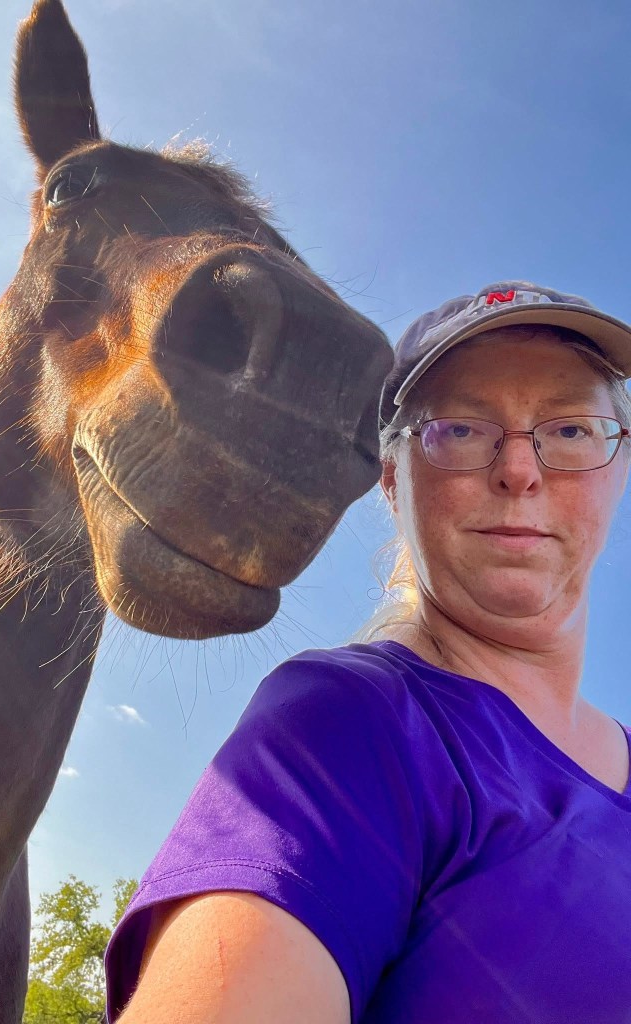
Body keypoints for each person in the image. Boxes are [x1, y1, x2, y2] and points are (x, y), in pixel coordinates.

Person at [104, 281, 631, 1024]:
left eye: (572, 430)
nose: (520, 469)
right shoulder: (351, 726)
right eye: (461, 430)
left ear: (620, 467)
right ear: (394, 482)